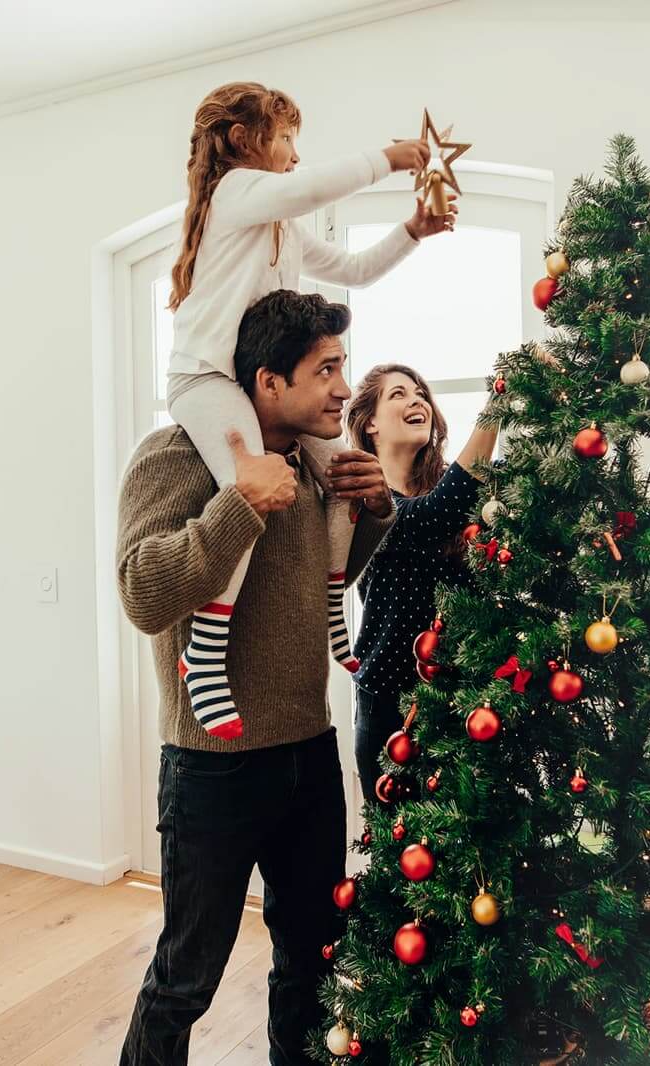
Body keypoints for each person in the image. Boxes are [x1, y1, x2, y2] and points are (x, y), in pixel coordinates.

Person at [118, 289, 394, 1066]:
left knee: (311, 960)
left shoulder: (315, 466)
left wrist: (372, 512)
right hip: (212, 766)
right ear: (267, 382)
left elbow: (312, 585)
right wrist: (238, 504)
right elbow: (143, 591)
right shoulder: (174, 457)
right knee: (187, 977)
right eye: (327, 369)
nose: (346, 387)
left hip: (309, 754)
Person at [166, 80, 456, 740]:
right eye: (288, 139)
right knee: (256, 485)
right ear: (245, 142)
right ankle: (205, 650)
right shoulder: (235, 192)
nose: (296, 155)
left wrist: (411, 230)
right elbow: (306, 188)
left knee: (346, 475)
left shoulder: (282, 228)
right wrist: (389, 158)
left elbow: (353, 269)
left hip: (253, 384)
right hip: (207, 380)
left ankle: (333, 611)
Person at [344, 363, 499, 801]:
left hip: (469, 695)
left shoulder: (462, 489)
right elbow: (431, 516)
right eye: (398, 394)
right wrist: (498, 403)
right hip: (391, 703)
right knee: (401, 852)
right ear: (370, 422)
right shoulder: (364, 498)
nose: (417, 401)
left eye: (421, 394)